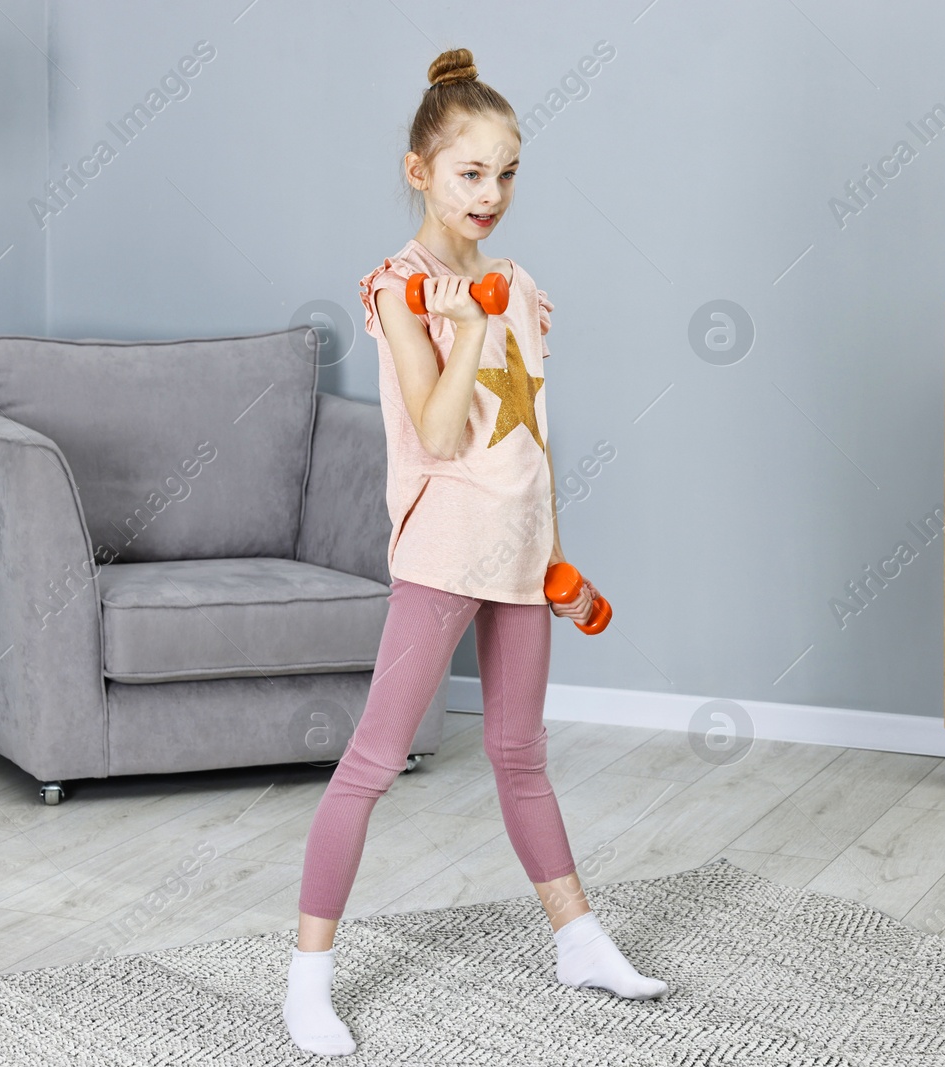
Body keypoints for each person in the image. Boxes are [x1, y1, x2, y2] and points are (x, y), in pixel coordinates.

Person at [281, 46, 667, 1057]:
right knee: (370, 760)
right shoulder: (402, 289)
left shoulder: (516, 281)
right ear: (419, 170)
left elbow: (529, 433)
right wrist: (465, 329)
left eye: (506, 173)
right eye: (469, 173)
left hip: (518, 553)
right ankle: (306, 977)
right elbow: (442, 432)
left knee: (519, 755)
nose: (490, 195)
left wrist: (556, 554)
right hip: (443, 553)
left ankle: (577, 938)